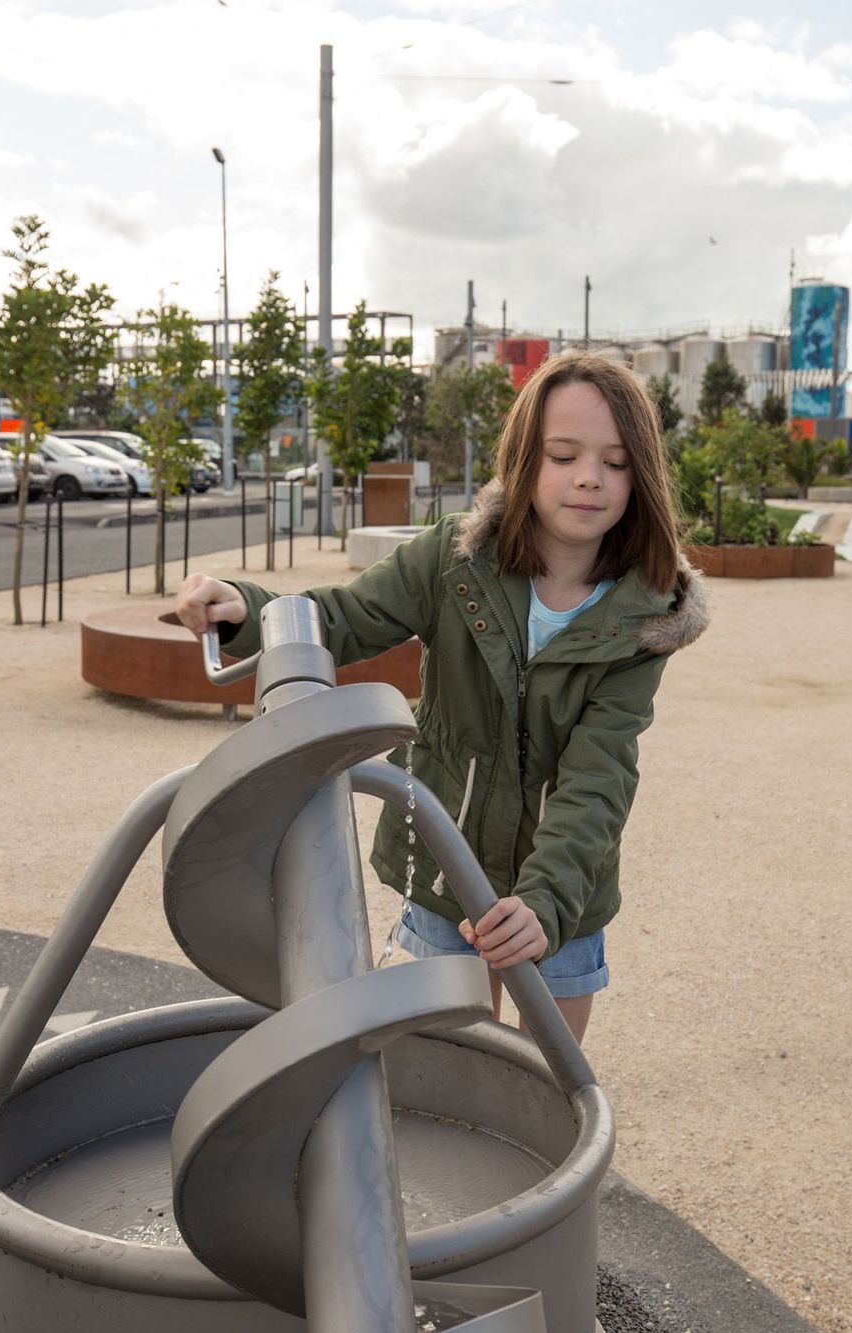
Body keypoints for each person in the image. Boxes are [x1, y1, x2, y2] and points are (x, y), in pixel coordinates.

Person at [175, 351, 709, 1043]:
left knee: (548, 1068)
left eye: (615, 461)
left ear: (642, 475)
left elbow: (599, 774)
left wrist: (545, 901)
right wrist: (247, 612)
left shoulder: (643, 616)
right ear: (523, 461)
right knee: (452, 1059)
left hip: (566, 887)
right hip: (442, 857)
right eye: (563, 455)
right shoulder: (453, 561)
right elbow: (342, 618)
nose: (588, 478)